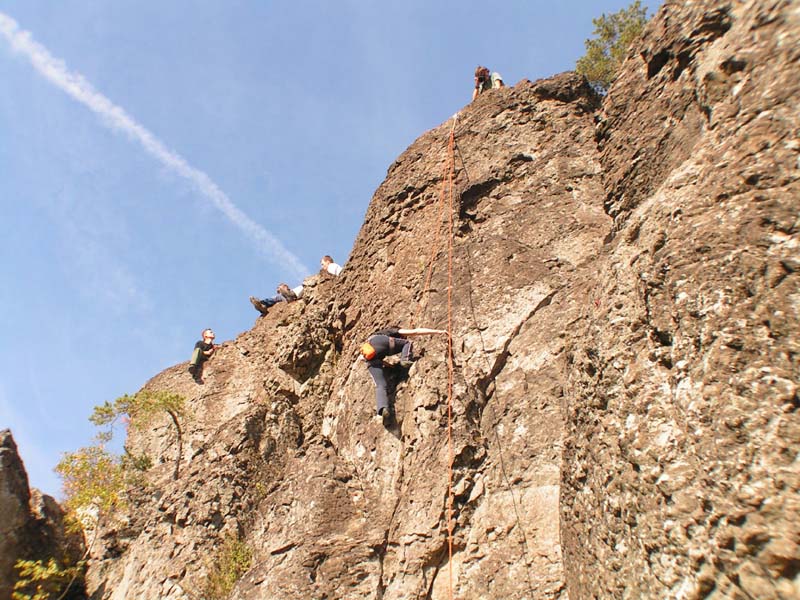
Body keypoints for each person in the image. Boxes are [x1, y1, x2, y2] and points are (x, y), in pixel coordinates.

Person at [361, 326, 448, 424]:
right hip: (381, 342)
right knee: (408, 343)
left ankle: (383, 408)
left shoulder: (372, 339)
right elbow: (416, 331)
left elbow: (379, 360)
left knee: (380, 385)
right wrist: (439, 331)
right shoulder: (393, 330)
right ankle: (405, 359)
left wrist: (391, 366)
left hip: (370, 357)